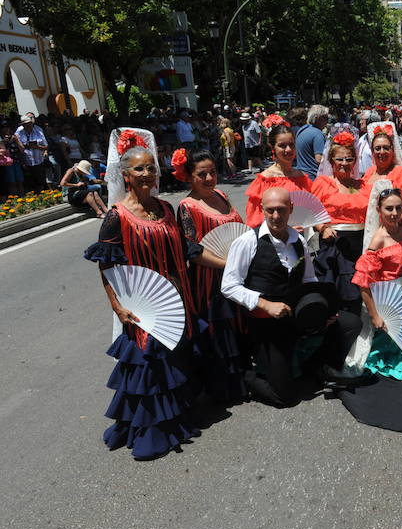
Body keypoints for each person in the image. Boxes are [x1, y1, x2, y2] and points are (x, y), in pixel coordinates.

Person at [84, 141, 218, 460]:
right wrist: (117, 306)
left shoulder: (167, 209)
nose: (147, 173)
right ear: (125, 175)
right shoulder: (117, 216)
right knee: (152, 367)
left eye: (151, 167)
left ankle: (179, 419)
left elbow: (189, 250)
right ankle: (154, 431)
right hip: (144, 305)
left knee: (177, 361)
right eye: (139, 168)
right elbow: (107, 265)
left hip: (176, 298)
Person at [221, 187, 368, 406]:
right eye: (270, 211)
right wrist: (265, 305)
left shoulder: (298, 239)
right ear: (262, 210)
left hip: (296, 316)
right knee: (284, 398)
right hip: (266, 324)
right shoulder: (247, 242)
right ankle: (245, 376)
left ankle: (317, 367)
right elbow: (229, 286)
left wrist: (324, 309)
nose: (276, 216)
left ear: (291, 209)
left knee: (350, 323)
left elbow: (309, 280)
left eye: (281, 210)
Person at [174, 148, 249, 405]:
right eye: (201, 174)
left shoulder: (222, 195)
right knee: (219, 329)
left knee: (239, 323)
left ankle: (243, 378)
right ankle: (224, 388)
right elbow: (192, 251)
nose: (209, 179)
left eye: (213, 172)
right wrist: (227, 263)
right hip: (209, 280)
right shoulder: (187, 206)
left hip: (235, 273)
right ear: (189, 177)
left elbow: (240, 230)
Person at [352, 189, 402, 379]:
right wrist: (374, 316)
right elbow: (362, 282)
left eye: (398, 208)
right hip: (389, 301)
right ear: (378, 209)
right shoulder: (378, 240)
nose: (395, 213)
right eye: (389, 208)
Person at [310, 125, 370, 314]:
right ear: (331, 160)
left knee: (361, 294)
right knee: (340, 294)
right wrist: (323, 228)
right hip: (334, 243)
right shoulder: (323, 184)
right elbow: (311, 214)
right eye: (339, 159)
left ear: (355, 161)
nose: (344, 163)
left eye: (349, 159)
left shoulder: (363, 185)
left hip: (360, 244)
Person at [243, 124, 311, 228]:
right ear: (272, 147)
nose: (288, 149)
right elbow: (256, 219)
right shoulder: (265, 180)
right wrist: (285, 230)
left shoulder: (302, 177)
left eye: (291, 145)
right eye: (282, 145)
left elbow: (312, 210)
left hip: (303, 236)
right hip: (275, 240)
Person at [361, 122, 402, 223]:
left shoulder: (399, 172)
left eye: (386, 148)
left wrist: (396, 222)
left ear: (392, 151)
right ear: (372, 151)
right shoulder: (369, 172)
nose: (381, 152)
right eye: (377, 148)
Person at [14, 113, 48, 192]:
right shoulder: (19, 132)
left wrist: (37, 147)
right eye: (25, 124)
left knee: (40, 180)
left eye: (29, 123)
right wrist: (23, 144)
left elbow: (46, 146)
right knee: (30, 182)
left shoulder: (38, 131)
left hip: (39, 160)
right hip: (26, 161)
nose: (28, 126)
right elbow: (17, 142)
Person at [294, 105, 329, 180]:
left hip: (300, 174)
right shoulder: (318, 134)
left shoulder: (302, 130)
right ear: (318, 118)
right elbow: (319, 159)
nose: (327, 122)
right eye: (326, 118)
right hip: (313, 176)